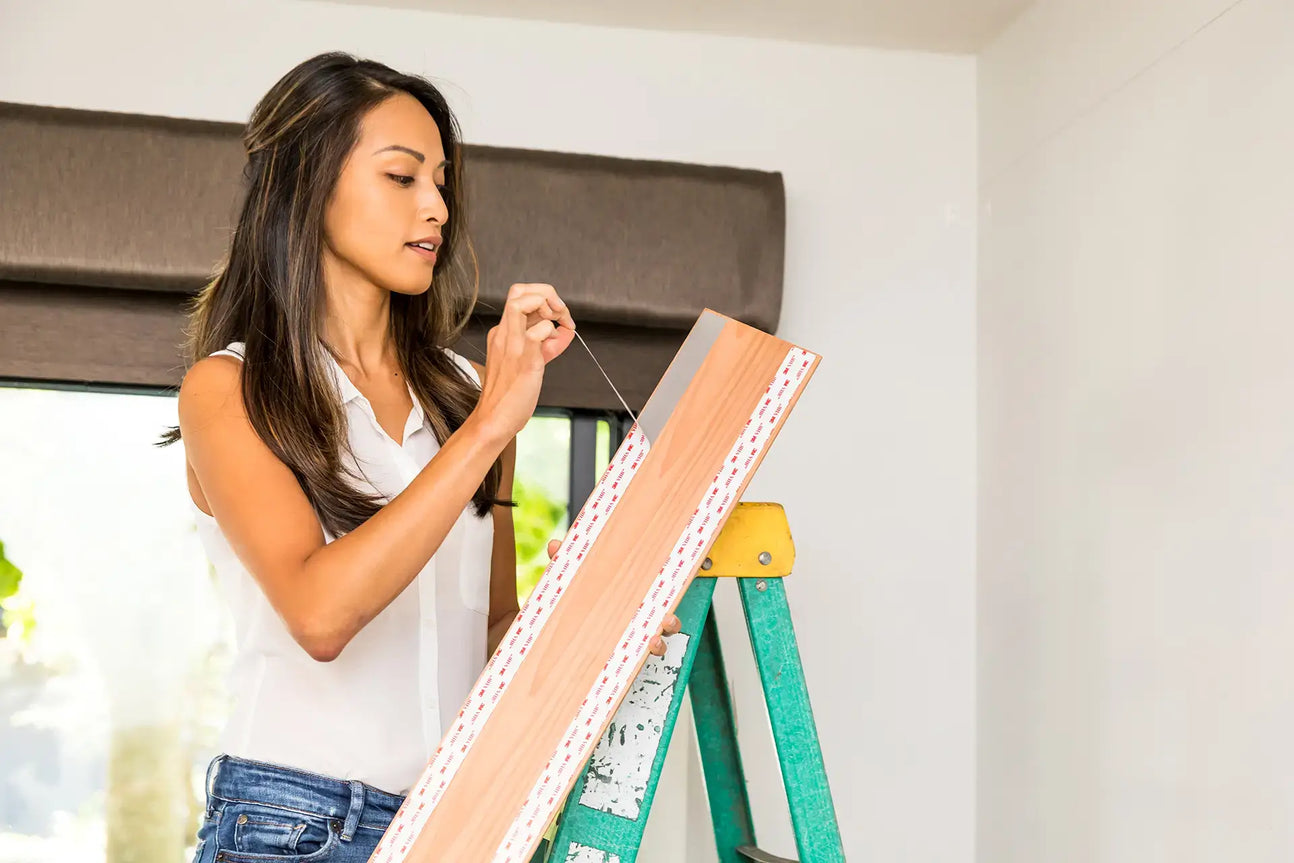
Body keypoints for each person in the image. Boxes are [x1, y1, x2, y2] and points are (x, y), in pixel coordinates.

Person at [162, 51, 680, 863]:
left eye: (442, 180)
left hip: (457, 820)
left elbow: (490, 634)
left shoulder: (469, 393)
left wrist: (592, 619)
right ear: (307, 185)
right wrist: (485, 433)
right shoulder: (227, 389)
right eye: (402, 177)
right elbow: (320, 614)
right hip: (293, 824)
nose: (437, 205)